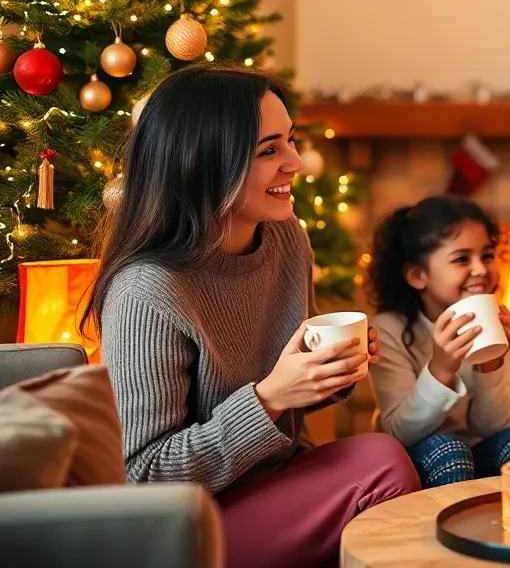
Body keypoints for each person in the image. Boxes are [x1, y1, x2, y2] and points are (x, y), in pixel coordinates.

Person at [89, 65, 420, 568]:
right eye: (269, 150)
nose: (295, 163)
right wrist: (269, 399)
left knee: (423, 457)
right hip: (181, 525)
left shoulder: (286, 240)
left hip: (274, 481)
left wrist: (328, 374)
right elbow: (143, 475)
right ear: (202, 163)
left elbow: (294, 390)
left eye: (289, 141)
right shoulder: (147, 291)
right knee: (381, 465)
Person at [367, 195, 510, 487]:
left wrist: (492, 364)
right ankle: (448, 531)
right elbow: (399, 434)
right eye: (462, 259)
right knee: (449, 452)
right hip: (417, 457)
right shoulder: (387, 330)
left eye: (487, 256)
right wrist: (441, 368)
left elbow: (495, 426)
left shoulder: (495, 321)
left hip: (476, 450)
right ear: (417, 275)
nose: (480, 269)